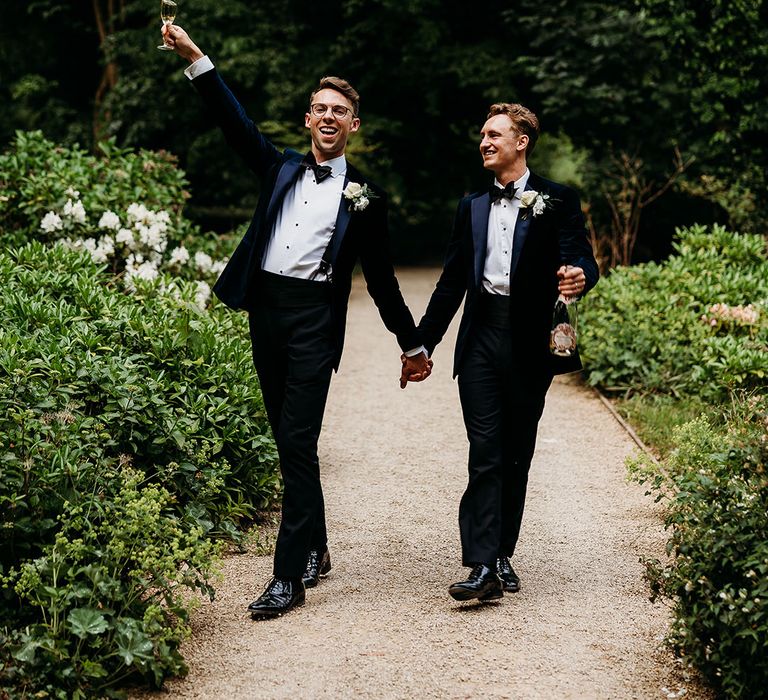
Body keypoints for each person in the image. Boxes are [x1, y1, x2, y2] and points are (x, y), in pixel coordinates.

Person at [162, 25, 432, 619]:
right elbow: (234, 124)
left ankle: (288, 578)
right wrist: (198, 59)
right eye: (321, 109)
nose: (329, 117)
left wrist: (412, 342)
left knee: (296, 438)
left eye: (340, 111)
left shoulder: (366, 196)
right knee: (290, 441)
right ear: (308, 119)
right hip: (267, 312)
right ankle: (317, 542)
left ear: (353, 125)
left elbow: (382, 278)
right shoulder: (279, 166)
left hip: (315, 318)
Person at [404, 102, 598, 601]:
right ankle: (482, 564)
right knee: (485, 450)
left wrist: (580, 277)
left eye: (494, 135)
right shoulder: (471, 205)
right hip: (481, 338)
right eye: (482, 135)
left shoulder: (557, 199)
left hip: (531, 341)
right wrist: (420, 342)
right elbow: (451, 284)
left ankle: (503, 553)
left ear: (522, 141)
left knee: (516, 452)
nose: (484, 142)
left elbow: (581, 260)